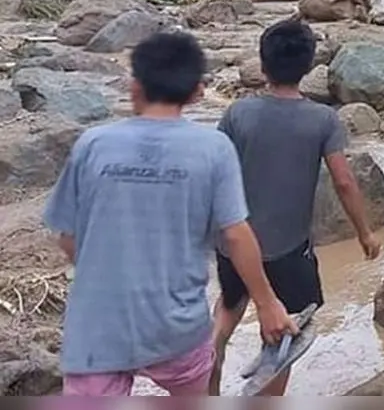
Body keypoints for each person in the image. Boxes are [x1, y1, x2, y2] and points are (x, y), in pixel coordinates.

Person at [44, 31, 298, 397]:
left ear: (134, 86)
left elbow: (68, 237)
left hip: (100, 324)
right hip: (176, 324)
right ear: (196, 92)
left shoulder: (93, 144)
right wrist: (267, 303)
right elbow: (235, 234)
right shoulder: (213, 149)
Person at [210, 18, 382, 396]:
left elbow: (214, 168)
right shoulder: (323, 119)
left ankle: (212, 353)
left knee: (230, 303)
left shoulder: (238, 113)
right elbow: (343, 181)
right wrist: (365, 233)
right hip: (287, 248)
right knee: (288, 326)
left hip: (234, 240)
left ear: (263, 65)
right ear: (307, 67)